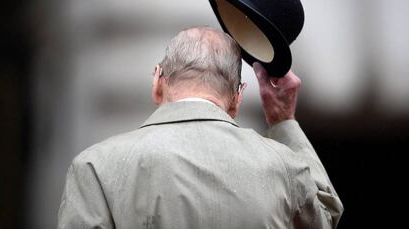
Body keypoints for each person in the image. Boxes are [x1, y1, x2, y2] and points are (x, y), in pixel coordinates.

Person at [57, 26, 343, 229]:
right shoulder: (284, 168)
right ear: (237, 98)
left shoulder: (95, 168)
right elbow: (325, 217)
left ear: (158, 81)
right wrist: (283, 121)